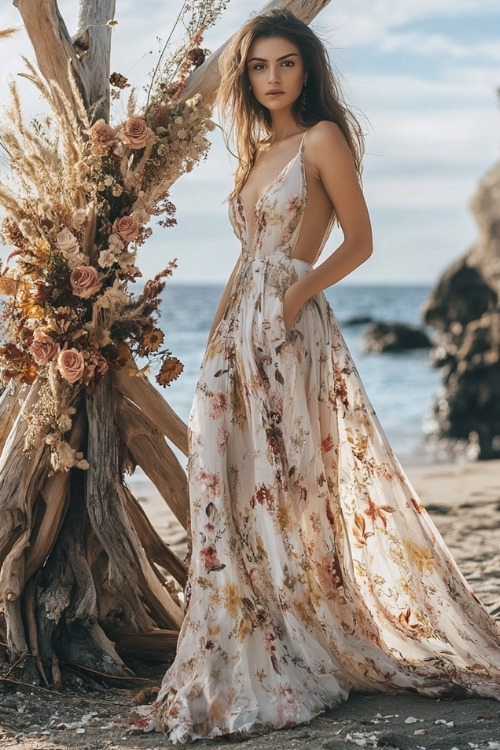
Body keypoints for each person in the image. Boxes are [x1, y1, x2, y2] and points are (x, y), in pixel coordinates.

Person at [135, 9, 500, 744]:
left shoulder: (322, 139)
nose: (272, 78)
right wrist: (214, 347)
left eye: (286, 64)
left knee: (284, 479)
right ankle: (248, 633)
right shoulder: (255, 152)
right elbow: (244, 258)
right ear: (247, 78)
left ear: (307, 70)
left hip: (290, 329)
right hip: (237, 330)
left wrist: (292, 300)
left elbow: (361, 242)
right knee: (225, 480)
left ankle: (298, 643)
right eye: (260, 67)